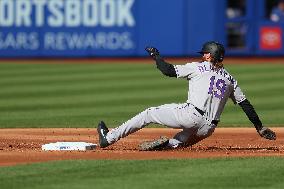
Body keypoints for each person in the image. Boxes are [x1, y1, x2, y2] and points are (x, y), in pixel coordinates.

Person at [97, 41, 276, 151]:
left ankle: (108, 138)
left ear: (209, 55)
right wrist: (259, 127)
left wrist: (156, 56)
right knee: (176, 144)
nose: (203, 55)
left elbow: (167, 70)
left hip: (191, 116)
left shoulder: (198, 67)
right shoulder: (230, 79)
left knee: (149, 113)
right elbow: (246, 105)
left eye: (204, 52)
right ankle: (166, 145)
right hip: (208, 129)